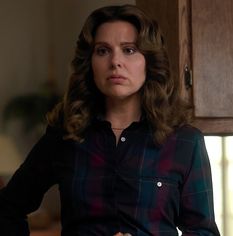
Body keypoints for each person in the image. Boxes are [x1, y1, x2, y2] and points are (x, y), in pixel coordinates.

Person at [0, 4, 220, 236]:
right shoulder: (65, 135)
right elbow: (7, 209)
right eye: (103, 50)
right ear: (90, 62)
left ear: (149, 60)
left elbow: (203, 232)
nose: (115, 61)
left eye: (129, 50)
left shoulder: (185, 141)